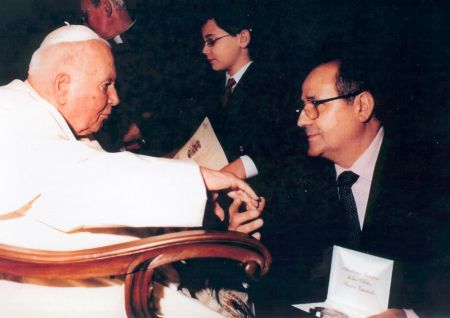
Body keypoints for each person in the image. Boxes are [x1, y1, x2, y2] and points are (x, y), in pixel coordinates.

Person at [0, 24, 263, 317]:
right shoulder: (10, 114)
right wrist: (200, 178)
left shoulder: (42, 118)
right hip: (76, 297)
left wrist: (209, 219)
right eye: (106, 85)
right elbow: (83, 181)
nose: (115, 98)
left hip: (105, 281)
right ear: (63, 87)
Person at [286, 57, 441, 317]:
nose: (302, 120)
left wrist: (409, 315)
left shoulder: (430, 175)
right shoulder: (297, 177)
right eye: (302, 107)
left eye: (314, 105)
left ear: (362, 106)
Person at [80, 0, 182, 155]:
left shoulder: (164, 40)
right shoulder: (93, 54)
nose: (84, 25)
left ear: (107, 7)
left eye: (85, 16)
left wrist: (142, 128)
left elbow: (180, 102)